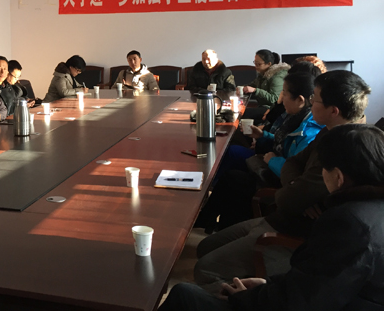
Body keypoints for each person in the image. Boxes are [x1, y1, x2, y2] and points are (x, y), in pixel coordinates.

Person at [160, 123, 384, 311]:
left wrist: (247, 297)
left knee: (184, 294)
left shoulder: (350, 223)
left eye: (323, 169)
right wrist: (267, 286)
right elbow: (315, 283)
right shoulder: (369, 210)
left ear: (338, 177)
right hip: (296, 292)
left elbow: (302, 301)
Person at [193, 70, 370, 292]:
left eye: (315, 99)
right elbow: (292, 163)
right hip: (281, 217)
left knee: (204, 270)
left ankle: (248, 299)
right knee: (204, 247)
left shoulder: (344, 150)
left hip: (293, 231)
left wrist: (296, 191)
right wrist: (298, 187)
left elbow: (287, 199)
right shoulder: (327, 133)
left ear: (333, 111)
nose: (311, 103)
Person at [196, 71, 323, 233]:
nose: (281, 97)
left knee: (234, 179)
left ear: (300, 100)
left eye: (284, 93)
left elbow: (295, 169)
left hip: (281, 182)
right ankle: (209, 221)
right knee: (231, 174)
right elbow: (284, 143)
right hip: (273, 166)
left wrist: (272, 160)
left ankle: (215, 225)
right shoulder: (296, 117)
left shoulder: (308, 131)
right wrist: (263, 136)